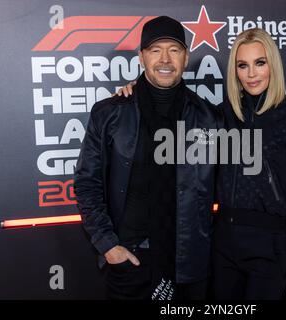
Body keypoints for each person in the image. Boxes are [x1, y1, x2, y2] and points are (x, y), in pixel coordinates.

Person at [116, 28, 286, 300]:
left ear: (272, 65)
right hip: (221, 245)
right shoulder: (220, 116)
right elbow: (174, 108)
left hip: (269, 247)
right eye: (243, 65)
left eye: (259, 63)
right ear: (235, 71)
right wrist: (137, 90)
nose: (251, 73)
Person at [74, 16, 222, 300]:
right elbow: (86, 183)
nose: (165, 59)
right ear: (142, 57)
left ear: (186, 57)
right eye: (156, 50)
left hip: (188, 265)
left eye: (174, 50)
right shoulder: (110, 113)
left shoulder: (209, 118)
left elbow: (228, 185)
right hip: (130, 259)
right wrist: (108, 246)